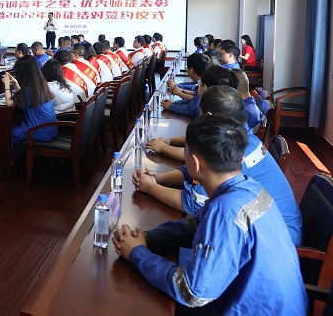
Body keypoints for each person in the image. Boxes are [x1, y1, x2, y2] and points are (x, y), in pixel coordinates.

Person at [114, 115, 306, 314]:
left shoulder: (226, 212)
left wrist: (138, 254)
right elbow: (194, 224)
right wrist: (148, 237)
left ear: (195, 164)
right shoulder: (247, 186)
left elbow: (191, 292)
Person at [139, 85, 303, 245]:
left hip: (276, 238)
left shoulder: (234, 149)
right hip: (266, 227)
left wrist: (150, 187)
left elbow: (193, 204)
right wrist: (159, 178)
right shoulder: (240, 137)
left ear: (209, 117)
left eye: (199, 114)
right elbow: (196, 170)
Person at [2, 56, 56, 144]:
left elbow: (10, 103)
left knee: (6, 131)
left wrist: (7, 85)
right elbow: (24, 96)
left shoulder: (30, 89)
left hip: (39, 131)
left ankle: (15, 153)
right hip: (49, 129)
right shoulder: (40, 84)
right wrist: (15, 83)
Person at [160, 53, 210, 118]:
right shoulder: (203, 81)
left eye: (187, 67)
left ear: (191, 70)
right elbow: (193, 101)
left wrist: (171, 106)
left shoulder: (203, 85)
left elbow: (192, 110)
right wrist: (174, 103)